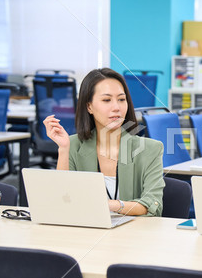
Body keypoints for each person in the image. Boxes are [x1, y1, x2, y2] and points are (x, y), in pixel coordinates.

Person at [43, 68, 164, 216]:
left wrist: (110, 205)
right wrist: (63, 149)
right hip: (85, 233)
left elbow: (153, 205)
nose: (116, 107)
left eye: (121, 99)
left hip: (134, 235)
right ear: (89, 106)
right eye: (107, 100)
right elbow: (62, 201)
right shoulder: (72, 145)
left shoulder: (151, 149)